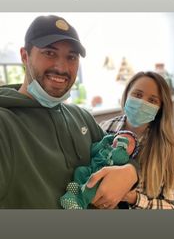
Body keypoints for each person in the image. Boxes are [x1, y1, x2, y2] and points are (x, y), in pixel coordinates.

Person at [0, 15, 137, 208]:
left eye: (71, 57)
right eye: (49, 53)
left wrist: (132, 171)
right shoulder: (5, 125)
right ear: (25, 56)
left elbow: (114, 154)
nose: (62, 67)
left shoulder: (81, 117)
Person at [100, 71, 174, 209]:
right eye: (137, 95)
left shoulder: (170, 150)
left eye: (152, 100)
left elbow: (170, 206)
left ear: (160, 108)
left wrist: (133, 198)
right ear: (126, 95)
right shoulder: (104, 128)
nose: (142, 103)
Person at [60, 130, 138, 209]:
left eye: (130, 143)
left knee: (91, 187)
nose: (125, 140)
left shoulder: (124, 157)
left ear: (132, 153)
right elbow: (93, 151)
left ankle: (79, 203)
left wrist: (121, 145)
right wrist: (104, 141)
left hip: (101, 177)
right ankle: (75, 188)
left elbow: (117, 157)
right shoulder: (105, 147)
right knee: (80, 171)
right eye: (122, 137)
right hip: (91, 169)